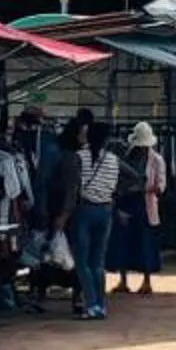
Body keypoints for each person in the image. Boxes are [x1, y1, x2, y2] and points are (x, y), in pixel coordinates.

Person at [69, 118, 123, 319]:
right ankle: (100, 305)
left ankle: (91, 305)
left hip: (85, 210)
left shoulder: (79, 156)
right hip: (106, 211)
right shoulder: (113, 159)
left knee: (82, 262)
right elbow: (125, 180)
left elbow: (74, 186)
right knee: (98, 262)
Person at [111, 120, 167, 296]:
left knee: (145, 244)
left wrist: (144, 188)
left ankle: (147, 281)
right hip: (126, 203)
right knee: (123, 242)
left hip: (145, 205)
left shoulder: (156, 160)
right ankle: (123, 280)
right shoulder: (126, 158)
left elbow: (161, 186)